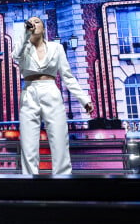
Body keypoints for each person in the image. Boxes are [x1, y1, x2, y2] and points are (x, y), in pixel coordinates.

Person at [13, 16, 93, 175]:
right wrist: (25, 36)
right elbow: (16, 57)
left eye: (37, 22)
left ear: (44, 27)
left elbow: (67, 76)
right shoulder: (22, 46)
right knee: (28, 143)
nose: (33, 24)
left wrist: (84, 100)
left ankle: (63, 179)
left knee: (59, 139)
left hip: (50, 90)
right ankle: (29, 180)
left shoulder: (56, 48)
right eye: (30, 23)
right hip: (29, 91)